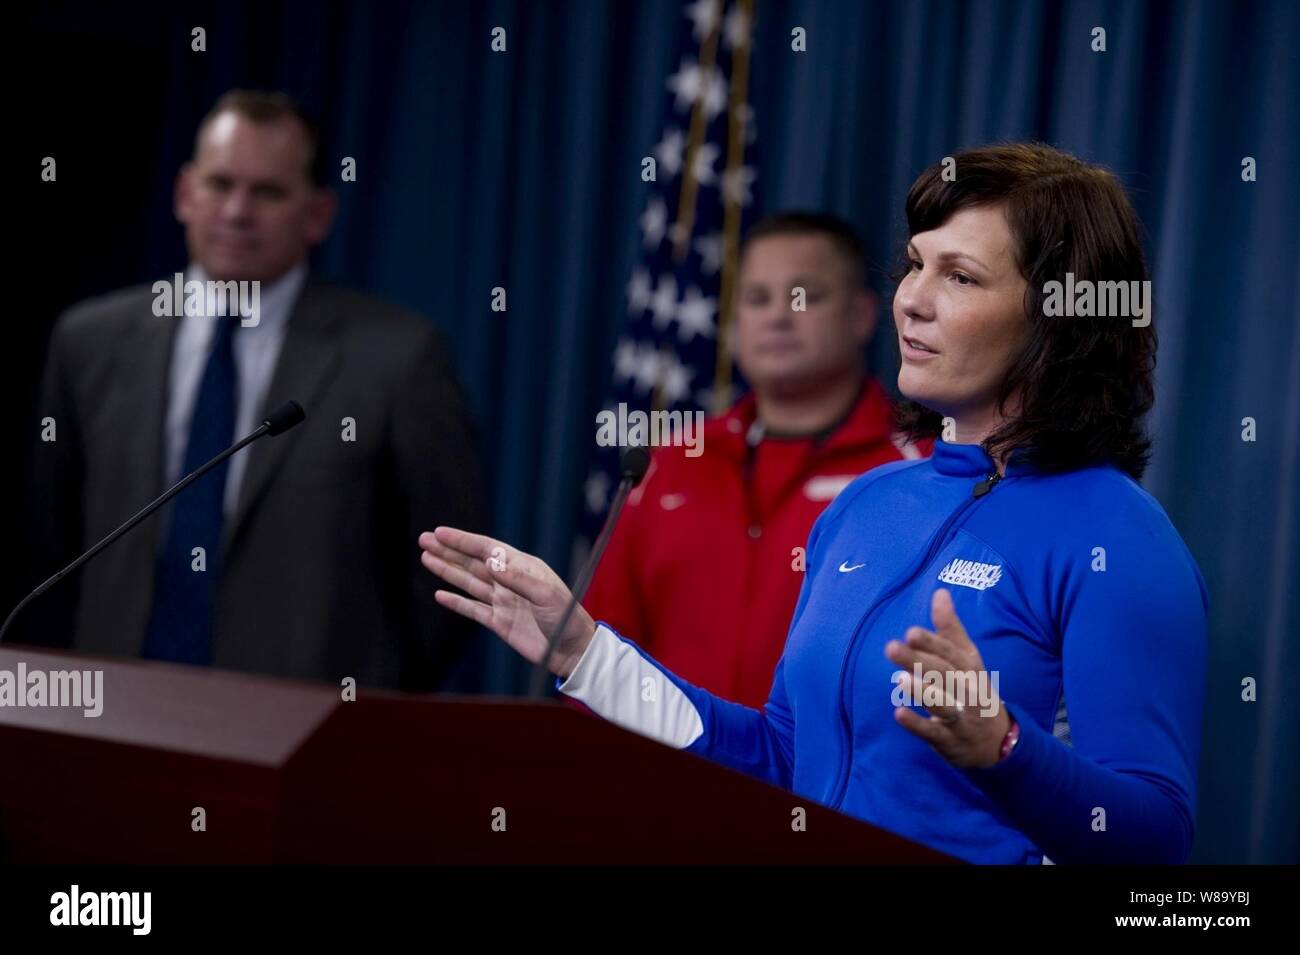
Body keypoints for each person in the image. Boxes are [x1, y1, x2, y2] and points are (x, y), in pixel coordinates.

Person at [419, 143, 1207, 864]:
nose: (912, 301)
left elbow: (1154, 841)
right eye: (913, 265)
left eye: (960, 276)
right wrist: (583, 652)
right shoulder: (868, 505)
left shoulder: (1117, 536)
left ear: (1059, 317)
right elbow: (777, 757)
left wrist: (1005, 746)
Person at [31, 90, 486, 691]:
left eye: (268, 192)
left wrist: (364, 709)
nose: (238, 211)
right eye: (220, 184)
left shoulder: (399, 360)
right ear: (184, 193)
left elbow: (449, 577)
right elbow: (47, 549)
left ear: (318, 214)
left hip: (305, 742)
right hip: (112, 720)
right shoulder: (89, 340)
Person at [585, 213, 924, 708]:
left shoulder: (921, 465)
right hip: (663, 779)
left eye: (803, 296)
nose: (777, 317)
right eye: (757, 298)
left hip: (823, 785)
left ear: (863, 315)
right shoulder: (669, 461)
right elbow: (598, 648)